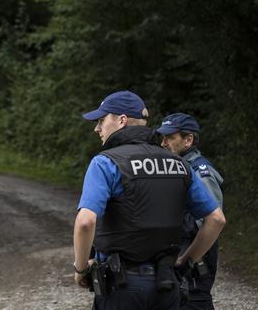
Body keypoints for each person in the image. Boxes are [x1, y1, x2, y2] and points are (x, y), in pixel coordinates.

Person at [73, 90, 226, 310]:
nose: (97, 128)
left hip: (121, 286)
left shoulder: (105, 163)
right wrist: (187, 260)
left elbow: (85, 222)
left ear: (121, 121)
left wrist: (81, 270)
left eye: (101, 120)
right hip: (167, 285)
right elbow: (216, 219)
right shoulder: (178, 163)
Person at [156, 113, 224, 310]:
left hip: (194, 266)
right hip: (181, 261)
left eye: (169, 138)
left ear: (188, 139)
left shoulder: (200, 172)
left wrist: (187, 260)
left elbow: (212, 222)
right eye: (162, 138)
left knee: (195, 303)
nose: (163, 143)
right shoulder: (178, 168)